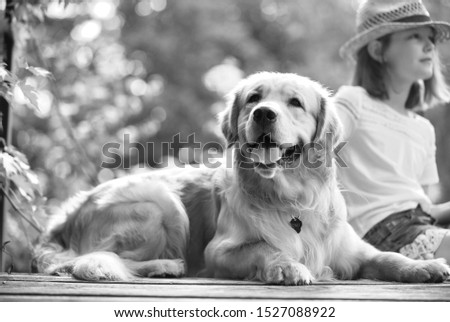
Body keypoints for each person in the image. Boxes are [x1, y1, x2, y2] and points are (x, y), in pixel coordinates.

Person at [335, 0, 450, 263]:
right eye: (414, 36)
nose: (430, 45)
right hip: (377, 234)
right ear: (378, 50)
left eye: (431, 38)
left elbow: (423, 206)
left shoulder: (423, 128)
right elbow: (316, 148)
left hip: (419, 226)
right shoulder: (354, 101)